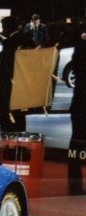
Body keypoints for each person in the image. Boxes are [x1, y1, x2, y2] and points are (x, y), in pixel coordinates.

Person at [0, 16, 36, 133]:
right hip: (24, 85)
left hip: (10, 87)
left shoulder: (9, 43)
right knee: (20, 118)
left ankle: (10, 147)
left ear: (7, 29)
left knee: (9, 121)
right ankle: (20, 146)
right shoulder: (28, 41)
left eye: (3, 28)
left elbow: (6, 68)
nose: (3, 31)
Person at [69, 31, 86, 195]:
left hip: (79, 103)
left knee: (76, 143)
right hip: (81, 104)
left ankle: (74, 185)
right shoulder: (81, 48)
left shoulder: (79, 48)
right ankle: (74, 185)